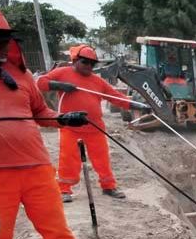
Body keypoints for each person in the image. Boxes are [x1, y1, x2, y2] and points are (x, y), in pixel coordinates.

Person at [0, 5, 91, 239]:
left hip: (36, 166)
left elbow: (40, 113)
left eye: (6, 40)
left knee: (55, 224)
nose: (4, 46)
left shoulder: (22, 76)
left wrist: (63, 118)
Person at [36, 45, 132, 203]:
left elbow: (115, 97)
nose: (88, 66)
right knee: (68, 159)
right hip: (70, 127)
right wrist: (60, 85)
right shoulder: (62, 73)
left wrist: (136, 105)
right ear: (75, 61)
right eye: (85, 62)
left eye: (92, 63)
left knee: (102, 159)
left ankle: (108, 186)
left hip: (95, 127)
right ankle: (64, 190)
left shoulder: (97, 81)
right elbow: (40, 83)